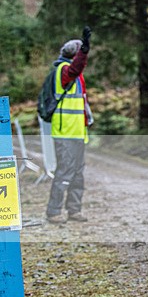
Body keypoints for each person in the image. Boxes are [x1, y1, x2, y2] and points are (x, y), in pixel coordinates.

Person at [46, 26, 93, 224]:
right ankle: (54, 212)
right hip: (65, 131)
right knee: (65, 171)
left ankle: (74, 210)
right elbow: (75, 68)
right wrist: (84, 52)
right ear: (75, 56)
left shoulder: (73, 74)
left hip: (77, 132)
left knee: (77, 173)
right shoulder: (64, 71)